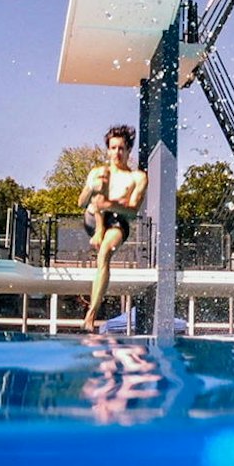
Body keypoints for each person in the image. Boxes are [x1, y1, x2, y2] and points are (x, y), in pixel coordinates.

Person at [81, 125, 146, 329]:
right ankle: (99, 230)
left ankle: (91, 314)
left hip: (118, 222)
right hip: (93, 218)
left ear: (128, 151)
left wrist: (110, 204)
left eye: (121, 148)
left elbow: (133, 210)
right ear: (108, 150)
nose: (117, 153)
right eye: (113, 148)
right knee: (102, 181)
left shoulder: (137, 177)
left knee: (104, 253)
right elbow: (81, 202)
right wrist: (91, 188)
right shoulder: (99, 172)